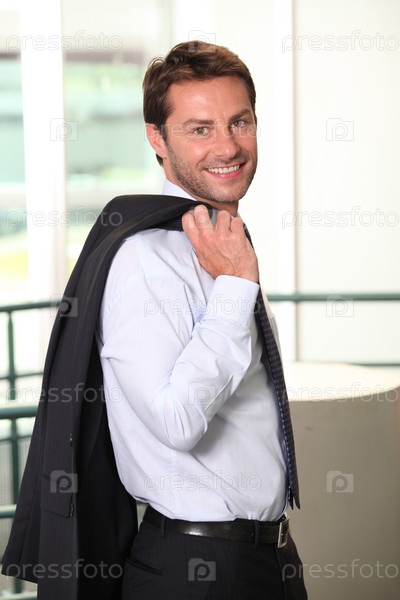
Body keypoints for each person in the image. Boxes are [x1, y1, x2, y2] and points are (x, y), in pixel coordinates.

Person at [97, 40, 307, 599]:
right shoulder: (144, 260)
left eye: (240, 122)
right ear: (157, 138)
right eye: (200, 129)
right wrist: (235, 290)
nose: (228, 146)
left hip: (269, 555)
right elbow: (175, 420)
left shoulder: (223, 242)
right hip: (197, 568)